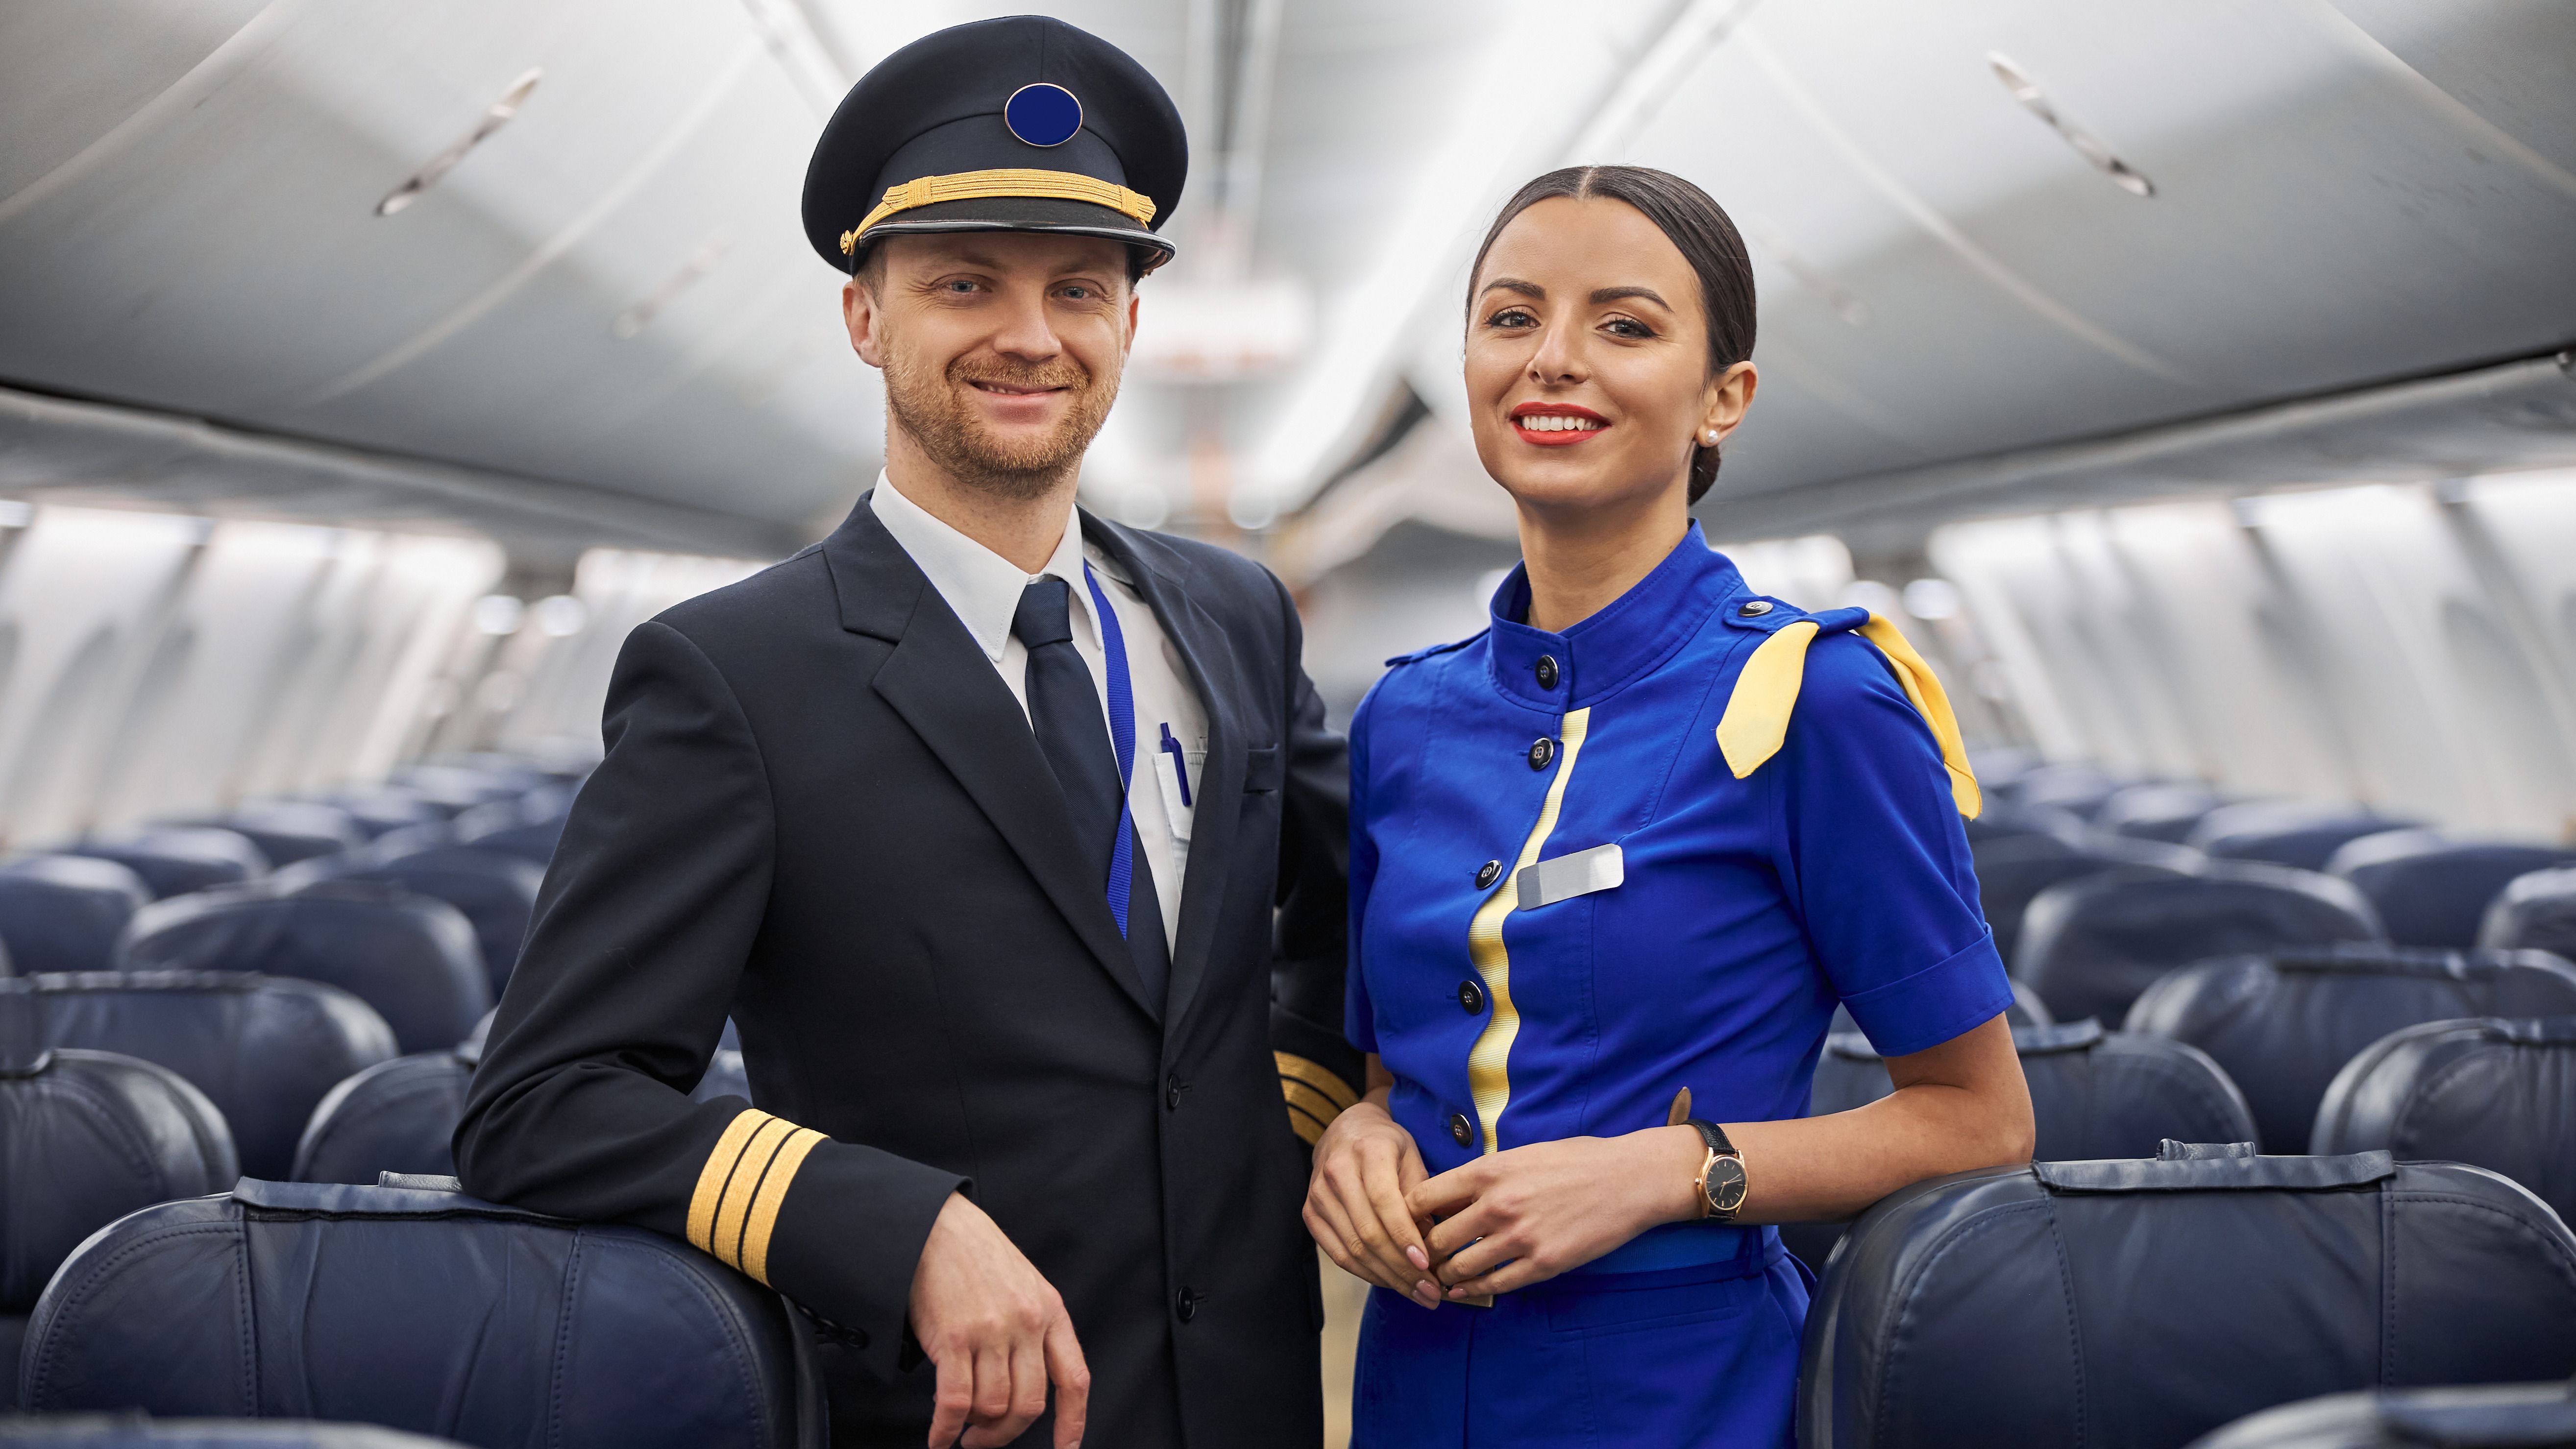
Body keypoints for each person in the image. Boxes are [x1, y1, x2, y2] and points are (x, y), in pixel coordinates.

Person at [454, 18, 1360, 1449]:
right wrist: (900, 1227)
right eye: (962, 284)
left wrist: (1297, 1094)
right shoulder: (731, 675)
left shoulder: (1232, 614)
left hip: (1249, 1395)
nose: (1030, 334)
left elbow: (1347, 900)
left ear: (1130, 321)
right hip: (950, 1417)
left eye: (1078, 287)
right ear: (865, 318)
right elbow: (546, 1102)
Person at [1306, 165, 2036, 1448]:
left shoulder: (1813, 698)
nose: (1553, 361)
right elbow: (1394, 1074)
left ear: (1722, 399)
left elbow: (1979, 1121)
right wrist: (1356, 1140)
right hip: (1419, 1382)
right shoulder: (1404, 718)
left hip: (1681, 1392)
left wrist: (1665, 1171)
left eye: (1625, 326)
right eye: (1510, 317)